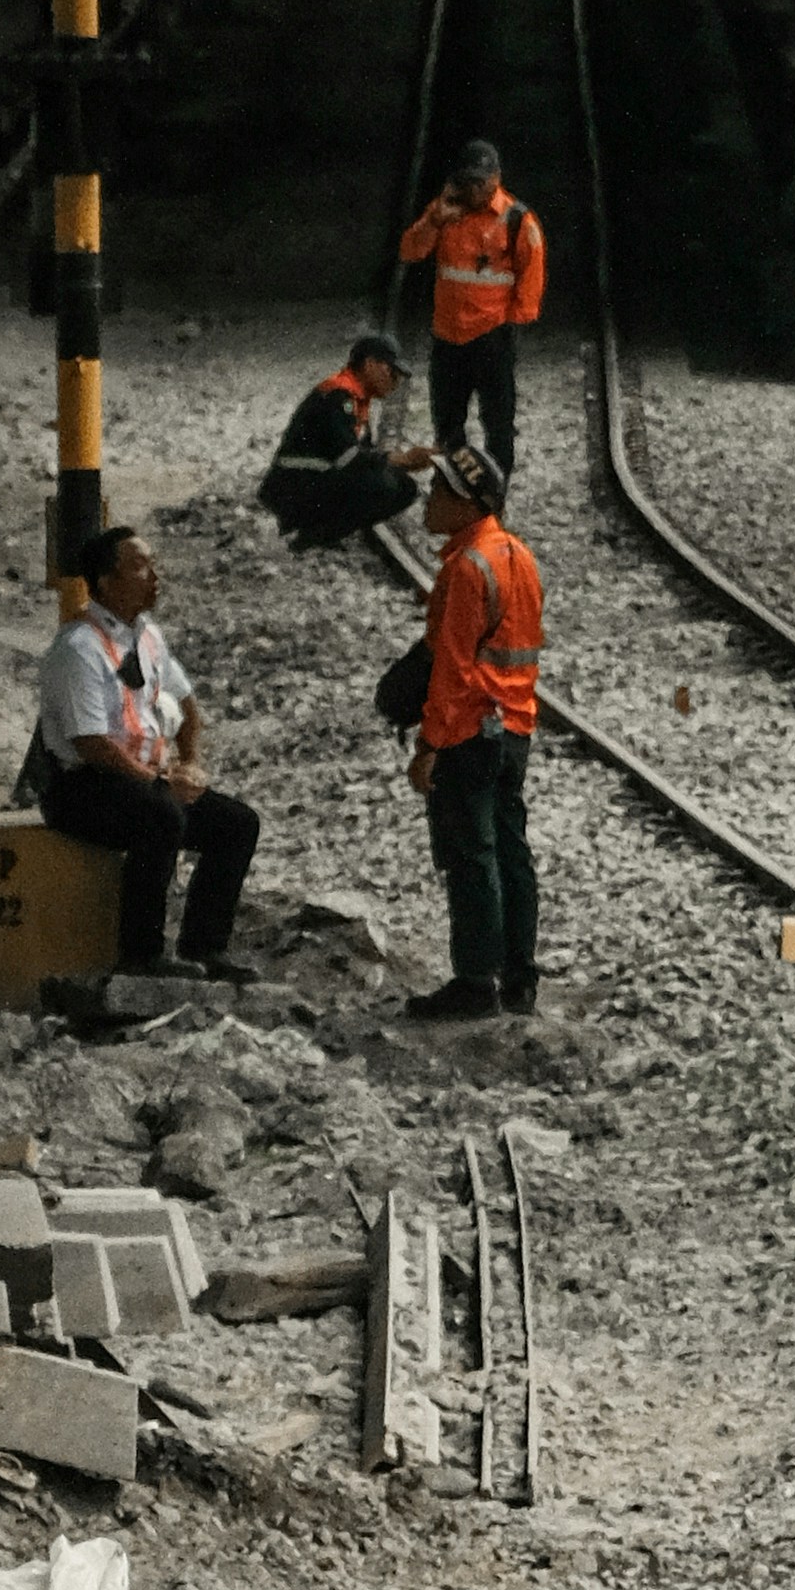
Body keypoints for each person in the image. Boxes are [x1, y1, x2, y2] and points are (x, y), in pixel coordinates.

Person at [31, 522, 259, 970]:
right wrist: (158, 784)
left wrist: (190, 767)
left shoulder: (148, 636)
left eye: (153, 565)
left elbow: (189, 708)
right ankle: (141, 955)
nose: (155, 576)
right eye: (140, 567)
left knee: (236, 824)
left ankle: (205, 946)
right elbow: (92, 743)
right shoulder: (78, 647)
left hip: (142, 778)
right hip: (82, 787)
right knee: (161, 816)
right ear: (105, 582)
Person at [409, 442, 543, 1025]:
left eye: (442, 491)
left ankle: (472, 983)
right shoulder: (518, 556)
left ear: (469, 506)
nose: (430, 498)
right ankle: (518, 978)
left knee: (471, 857)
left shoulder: (467, 568)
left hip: (470, 732)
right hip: (515, 728)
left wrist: (429, 746)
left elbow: (454, 670)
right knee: (511, 852)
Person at [397, 133, 546, 489]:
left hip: (490, 336)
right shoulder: (445, 213)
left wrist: (514, 320)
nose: (474, 191)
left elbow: (532, 271)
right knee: (448, 422)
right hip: (449, 337)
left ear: (495, 179)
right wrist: (433, 220)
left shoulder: (516, 219)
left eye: (480, 183)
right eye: (468, 182)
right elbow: (410, 252)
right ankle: (457, 485)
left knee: (498, 422)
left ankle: (494, 490)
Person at [260, 333, 434, 550]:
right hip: (292, 486)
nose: (395, 382)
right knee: (384, 485)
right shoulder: (338, 396)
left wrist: (402, 463)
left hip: (309, 480)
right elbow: (348, 457)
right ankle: (310, 537)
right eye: (391, 371)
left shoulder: (356, 396)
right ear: (370, 364)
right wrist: (401, 459)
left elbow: (362, 453)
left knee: (404, 487)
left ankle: (320, 533)